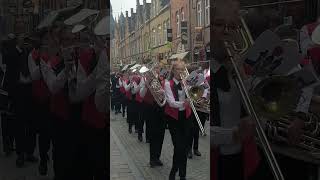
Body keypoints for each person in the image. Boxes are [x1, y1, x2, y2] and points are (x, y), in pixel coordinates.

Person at [165, 60, 193, 180]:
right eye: (178, 69)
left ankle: (182, 174)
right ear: (173, 71)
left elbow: (196, 94)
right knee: (179, 146)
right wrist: (184, 103)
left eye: (183, 69)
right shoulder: (168, 84)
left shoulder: (187, 82)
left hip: (186, 117)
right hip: (174, 119)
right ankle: (174, 170)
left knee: (184, 147)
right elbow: (171, 103)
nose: (181, 72)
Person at [28, 41, 51, 175]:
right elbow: (34, 75)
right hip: (39, 99)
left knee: (50, 131)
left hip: (52, 98)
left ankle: (46, 153)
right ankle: (43, 158)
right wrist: (45, 62)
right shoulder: (33, 55)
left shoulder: (55, 54)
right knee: (43, 131)